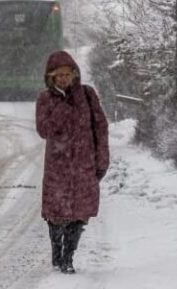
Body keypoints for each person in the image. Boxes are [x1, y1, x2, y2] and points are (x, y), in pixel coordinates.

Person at [35, 50, 109, 274]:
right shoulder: (46, 99)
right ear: (51, 78)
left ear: (74, 74)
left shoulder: (87, 95)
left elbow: (100, 127)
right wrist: (63, 107)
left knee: (79, 214)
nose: (64, 79)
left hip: (83, 165)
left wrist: (102, 159)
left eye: (68, 74)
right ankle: (57, 252)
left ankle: (68, 257)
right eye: (59, 75)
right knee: (55, 214)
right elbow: (44, 130)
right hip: (57, 167)